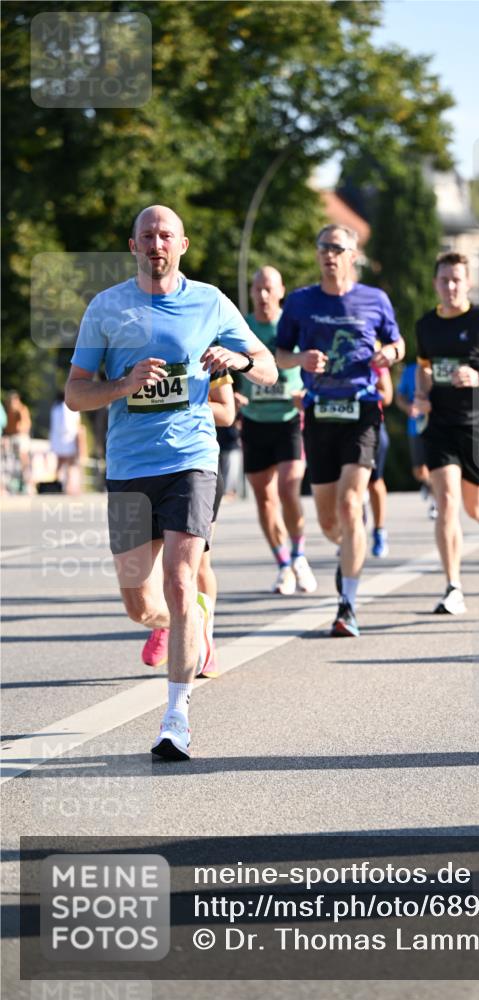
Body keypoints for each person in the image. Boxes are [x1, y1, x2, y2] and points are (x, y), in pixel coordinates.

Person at [65, 204, 277, 760]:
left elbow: (269, 367)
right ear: (133, 246)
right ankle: (195, 620)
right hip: (130, 468)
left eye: (166, 235)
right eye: (147, 236)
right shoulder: (106, 308)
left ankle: (175, 717)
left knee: (182, 581)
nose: (157, 243)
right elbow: (75, 393)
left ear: (182, 244)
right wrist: (122, 384)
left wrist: (239, 357)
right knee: (140, 604)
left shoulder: (210, 302)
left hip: (191, 459)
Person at [275, 224, 405, 637]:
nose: (328, 254)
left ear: (353, 255)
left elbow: (399, 344)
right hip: (319, 414)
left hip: (362, 409)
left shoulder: (375, 299)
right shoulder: (299, 303)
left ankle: (347, 604)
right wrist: (301, 361)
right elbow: (279, 355)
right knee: (331, 520)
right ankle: (348, 542)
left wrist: (389, 353)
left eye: (337, 248)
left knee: (352, 505)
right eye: (322, 247)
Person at [413, 251, 479, 615]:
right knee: (447, 504)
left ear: (468, 283)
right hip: (440, 425)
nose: (451, 286)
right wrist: (421, 396)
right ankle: (453, 586)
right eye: (445, 280)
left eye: (457, 279)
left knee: (476, 506)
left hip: (478, 425)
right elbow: (424, 369)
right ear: (436, 283)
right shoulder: (426, 325)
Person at [141, 370, 237, 678]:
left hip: (195, 469)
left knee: (195, 566)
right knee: (149, 569)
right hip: (140, 466)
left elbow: (227, 412)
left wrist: (185, 403)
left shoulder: (206, 343)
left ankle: (203, 636)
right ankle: (169, 620)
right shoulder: (128, 341)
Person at [239, 266, 317, 595]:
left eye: (269, 288)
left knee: (288, 489)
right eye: (258, 288)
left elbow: (315, 361)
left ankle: (299, 553)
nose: (263, 295)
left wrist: (308, 393)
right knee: (265, 500)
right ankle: (283, 563)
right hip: (255, 421)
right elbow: (222, 365)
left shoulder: (293, 325)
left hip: (289, 419)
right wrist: (231, 394)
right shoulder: (241, 326)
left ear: (281, 290)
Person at [396, 361, 437, 518]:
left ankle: (435, 502)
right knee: (419, 470)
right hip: (416, 426)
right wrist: (408, 407)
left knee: (436, 467)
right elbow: (400, 396)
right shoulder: (410, 370)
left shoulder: (440, 366)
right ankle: (429, 485)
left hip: (438, 425)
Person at [368, 365, 393, 557]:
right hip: (337, 426)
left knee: (374, 481)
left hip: (370, 426)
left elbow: (388, 396)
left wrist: (362, 390)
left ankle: (379, 530)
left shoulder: (375, 357)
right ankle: (351, 530)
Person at [49, 391, 84, 495]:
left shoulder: (55, 408)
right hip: (68, 440)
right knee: (70, 464)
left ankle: (57, 485)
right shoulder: (69, 408)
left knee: (59, 464)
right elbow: (69, 426)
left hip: (58, 441)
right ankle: (69, 487)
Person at [3, 390, 34, 494]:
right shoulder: (9, 411)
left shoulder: (22, 410)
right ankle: (14, 485)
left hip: (21, 438)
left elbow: (24, 426)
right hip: (12, 438)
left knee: (23, 460)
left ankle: (29, 484)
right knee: (11, 463)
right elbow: (7, 427)